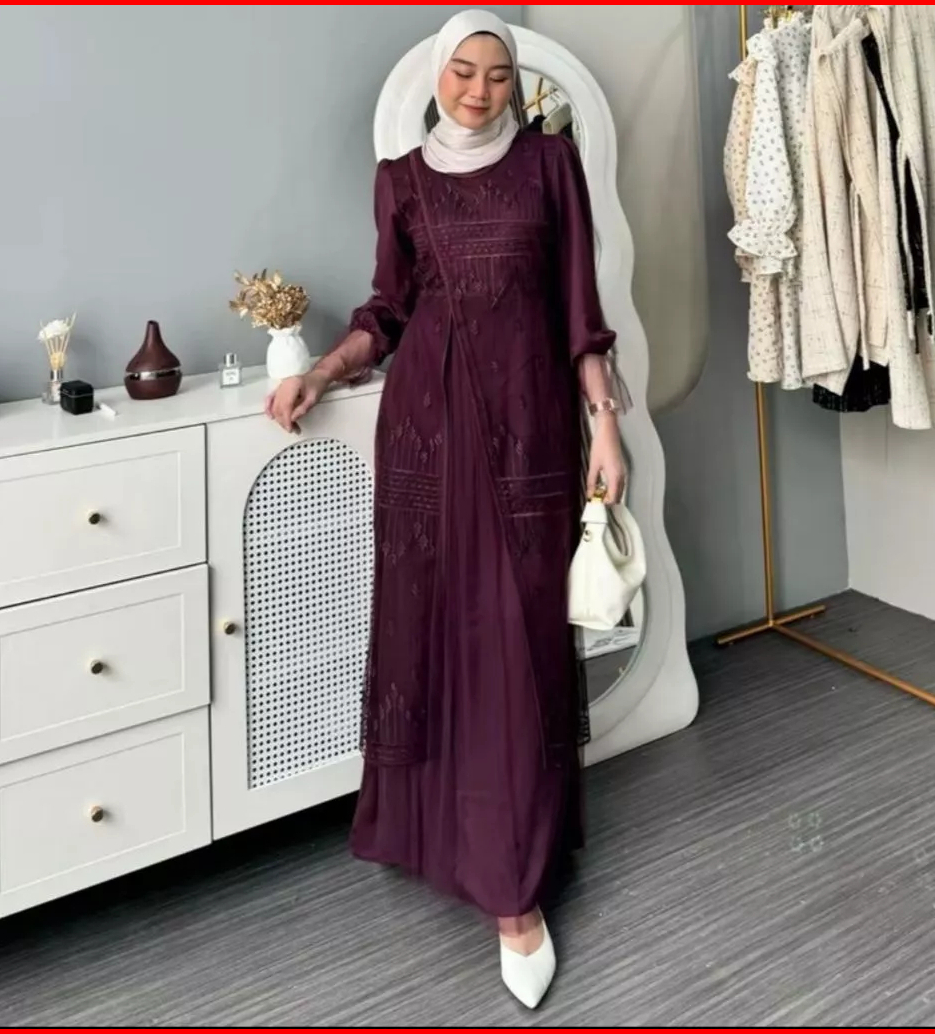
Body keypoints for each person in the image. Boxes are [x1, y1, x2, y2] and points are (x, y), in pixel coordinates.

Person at [266, 9, 625, 1010]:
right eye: (462, 72)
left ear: (515, 84)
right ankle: (433, 833)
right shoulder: (400, 180)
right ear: (438, 77)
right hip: (424, 434)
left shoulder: (549, 165)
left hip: (530, 433)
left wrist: (604, 425)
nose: (477, 90)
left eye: (496, 74)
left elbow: (578, 309)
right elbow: (388, 308)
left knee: (517, 646)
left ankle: (515, 888)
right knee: (432, 635)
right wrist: (321, 371)